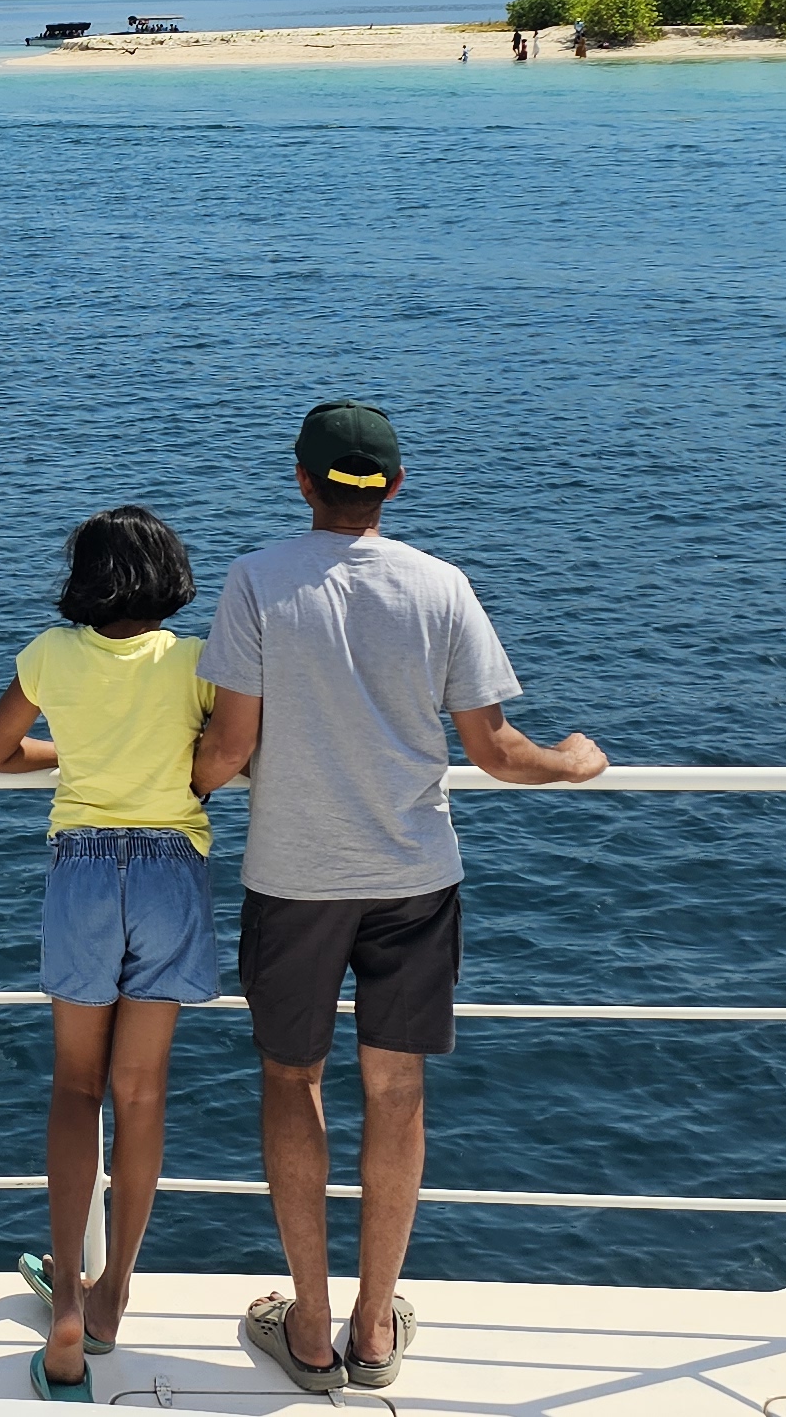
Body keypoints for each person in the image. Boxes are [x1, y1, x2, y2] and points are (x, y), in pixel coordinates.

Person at [187, 403, 608, 1395]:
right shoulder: (440, 584)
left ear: (301, 480)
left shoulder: (257, 578)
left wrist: (182, 785)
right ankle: (377, 1327)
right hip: (414, 877)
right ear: (395, 486)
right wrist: (576, 758)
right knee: (396, 1089)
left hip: (294, 877)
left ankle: (312, 1325)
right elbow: (497, 753)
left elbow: (230, 746)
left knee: (292, 1082)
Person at [0, 508, 213, 1402]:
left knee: (77, 1087)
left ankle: (65, 1300)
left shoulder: (50, 654)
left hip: (80, 871)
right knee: (140, 1091)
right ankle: (114, 1300)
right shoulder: (194, 663)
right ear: (170, 577)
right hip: (169, 869)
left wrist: (70, 753)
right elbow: (227, 753)